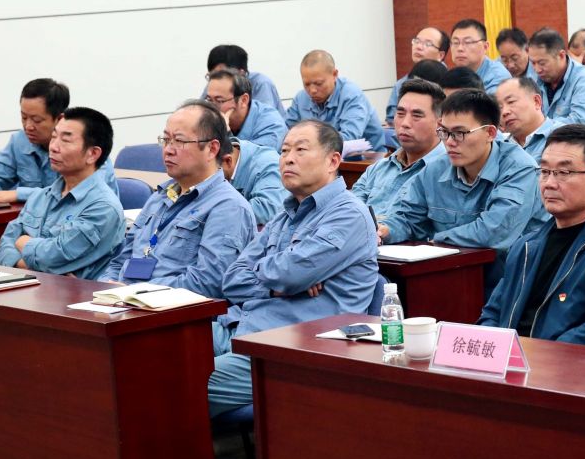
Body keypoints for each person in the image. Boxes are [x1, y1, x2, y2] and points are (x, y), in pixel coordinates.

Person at [207, 120, 379, 418]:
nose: (288, 158)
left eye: (300, 150)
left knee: (175, 382)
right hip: (239, 326)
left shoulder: (348, 215)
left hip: (287, 347)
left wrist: (285, 275)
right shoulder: (285, 214)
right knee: (145, 351)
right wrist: (277, 287)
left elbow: (289, 273)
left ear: (333, 161)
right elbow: (232, 280)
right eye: (284, 150)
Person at [480, 124, 585, 345]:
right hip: (513, 360)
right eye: (545, 172)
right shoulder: (526, 246)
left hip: (564, 364)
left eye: (564, 173)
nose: (550, 183)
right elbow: (493, 314)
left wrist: (535, 355)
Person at [103, 101, 255, 294]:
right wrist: (106, 286)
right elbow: (120, 261)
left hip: (171, 309)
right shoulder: (159, 197)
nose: (168, 149)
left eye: (179, 141)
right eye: (166, 140)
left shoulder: (228, 207)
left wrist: (135, 292)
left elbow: (208, 283)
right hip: (124, 301)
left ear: (212, 149)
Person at [376, 88, 544, 262]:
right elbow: (408, 219)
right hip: (454, 270)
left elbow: (494, 232)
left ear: (490, 133)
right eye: (444, 132)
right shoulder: (435, 170)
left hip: (511, 273)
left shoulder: (519, 169)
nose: (449, 142)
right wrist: (385, 231)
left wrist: (436, 240)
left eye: (459, 133)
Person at [0, 107, 125, 279]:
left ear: (92, 154)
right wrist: (26, 263)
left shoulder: (103, 207)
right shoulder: (41, 197)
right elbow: (4, 246)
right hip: (29, 288)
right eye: (54, 137)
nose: (53, 147)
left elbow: (53, 257)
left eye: (65, 140)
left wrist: (23, 243)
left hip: (75, 294)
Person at [0, 78, 116, 205]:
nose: (28, 126)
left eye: (37, 120)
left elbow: (78, 192)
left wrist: (19, 194)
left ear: (59, 118)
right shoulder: (20, 141)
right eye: (24, 117)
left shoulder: (87, 149)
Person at [354, 78, 446, 213]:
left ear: (440, 124)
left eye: (416, 115)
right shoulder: (378, 168)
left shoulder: (447, 173)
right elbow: (350, 210)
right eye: (400, 114)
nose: (405, 123)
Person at [283, 49, 386, 148]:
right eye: (307, 84)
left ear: (335, 74)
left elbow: (350, 137)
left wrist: (309, 145)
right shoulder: (300, 99)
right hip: (318, 157)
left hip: (366, 158)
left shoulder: (352, 95)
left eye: (318, 83)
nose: (312, 90)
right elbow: (285, 133)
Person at [528, 27, 585, 125]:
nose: (537, 69)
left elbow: (580, 122)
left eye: (542, 63)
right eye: (533, 63)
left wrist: (540, 126)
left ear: (561, 55)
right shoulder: (534, 78)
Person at [205, 67, 287, 151]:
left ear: (243, 100)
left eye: (219, 101)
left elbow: (252, 157)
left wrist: (225, 133)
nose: (212, 107)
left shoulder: (272, 125)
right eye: (209, 100)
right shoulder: (206, 118)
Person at [383, 27, 449, 123]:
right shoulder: (400, 84)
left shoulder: (451, 82)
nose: (418, 47)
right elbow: (391, 121)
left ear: (441, 55)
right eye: (417, 41)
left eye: (428, 44)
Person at [223, 136, 285, 225]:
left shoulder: (267, 163)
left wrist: (215, 213)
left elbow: (267, 210)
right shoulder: (212, 158)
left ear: (228, 161)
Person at [495, 76, 559, 159]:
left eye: (511, 102)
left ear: (536, 101)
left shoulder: (563, 137)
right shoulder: (499, 148)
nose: (504, 112)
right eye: (499, 107)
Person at [206, 44, 283, 111]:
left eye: (223, 74)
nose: (218, 78)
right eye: (213, 74)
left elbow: (265, 117)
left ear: (241, 73)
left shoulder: (261, 83)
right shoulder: (215, 83)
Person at [448, 19, 510, 91]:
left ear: (485, 47)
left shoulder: (497, 77)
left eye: (468, 42)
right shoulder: (454, 75)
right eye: (455, 42)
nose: (460, 48)